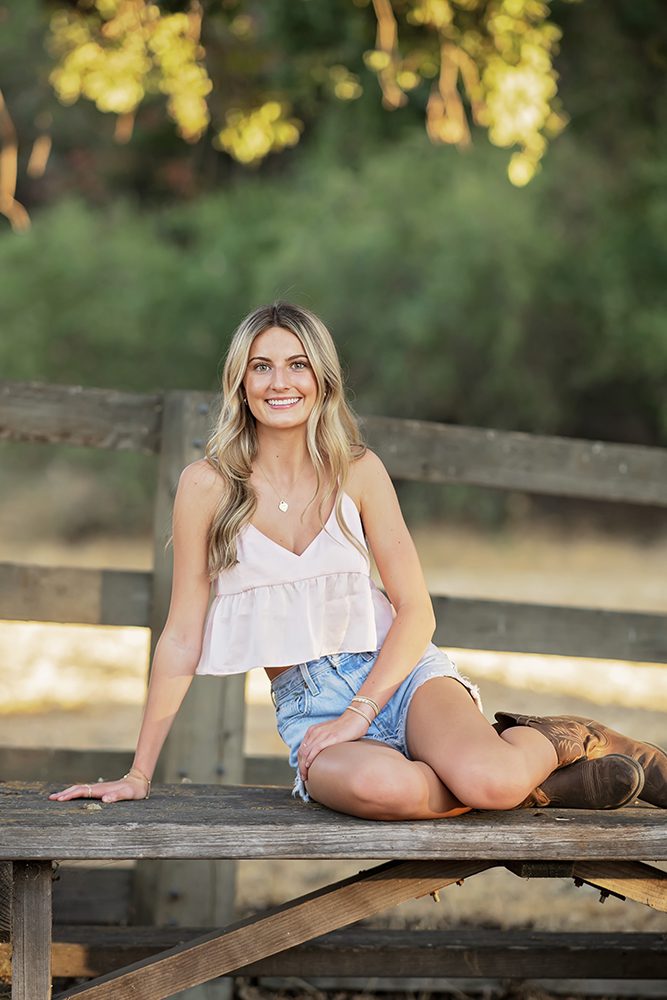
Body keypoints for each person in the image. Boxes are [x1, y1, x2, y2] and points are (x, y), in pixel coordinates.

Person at [50, 302, 666, 817]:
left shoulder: (359, 472)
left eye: (297, 365)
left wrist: (360, 712)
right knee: (383, 788)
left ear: (322, 378)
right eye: (261, 367)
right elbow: (182, 634)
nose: (279, 382)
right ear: (241, 382)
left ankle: (564, 741)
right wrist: (138, 772)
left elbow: (416, 612)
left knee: (491, 782)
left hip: (399, 677)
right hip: (308, 705)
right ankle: (543, 786)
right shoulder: (206, 486)